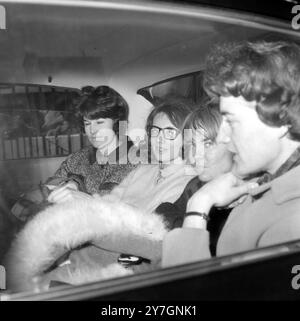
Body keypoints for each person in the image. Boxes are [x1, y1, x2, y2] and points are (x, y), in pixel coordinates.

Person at [163, 40, 300, 267]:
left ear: (282, 120)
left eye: (231, 120)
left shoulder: (292, 219)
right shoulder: (265, 185)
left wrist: (198, 208)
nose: (224, 137)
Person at [155, 105, 233, 255]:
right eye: (192, 144)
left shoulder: (245, 196)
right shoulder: (196, 184)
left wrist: (183, 223)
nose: (195, 155)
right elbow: (163, 211)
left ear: (234, 145)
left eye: (208, 144)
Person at [102, 97, 197, 214]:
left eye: (170, 132)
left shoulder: (189, 183)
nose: (159, 139)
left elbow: (153, 225)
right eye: (155, 130)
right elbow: (107, 202)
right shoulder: (142, 170)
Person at [45, 85, 138, 203]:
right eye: (87, 123)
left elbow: (134, 210)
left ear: (117, 122)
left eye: (99, 122)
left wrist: (84, 197)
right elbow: (50, 183)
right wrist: (69, 183)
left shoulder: (136, 161)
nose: (92, 130)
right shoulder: (78, 157)